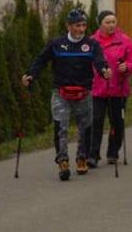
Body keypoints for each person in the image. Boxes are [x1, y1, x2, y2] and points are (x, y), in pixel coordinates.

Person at [22, 9, 110, 181]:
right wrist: (31, 74)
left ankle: (82, 158)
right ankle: (62, 160)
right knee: (61, 127)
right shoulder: (56, 44)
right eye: (78, 25)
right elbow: (41, 60)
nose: (82, 29)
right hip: (61, 92)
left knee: (85, 127)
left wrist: (104, 70)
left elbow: (100, 62)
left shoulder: (92, 45)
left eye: (84, 25)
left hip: (83, 92)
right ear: (69, 26)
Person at [88, 10, 132, 168]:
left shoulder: (125, 40)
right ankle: (93, 155)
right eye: (107, 22)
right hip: (98, 89)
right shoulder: (92, 41)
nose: (111, 25)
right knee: (96, 122)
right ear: (100, 24)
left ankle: (113, 152)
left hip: (119, 88)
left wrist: (127, 67)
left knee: (117, 122)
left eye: (113, 22)